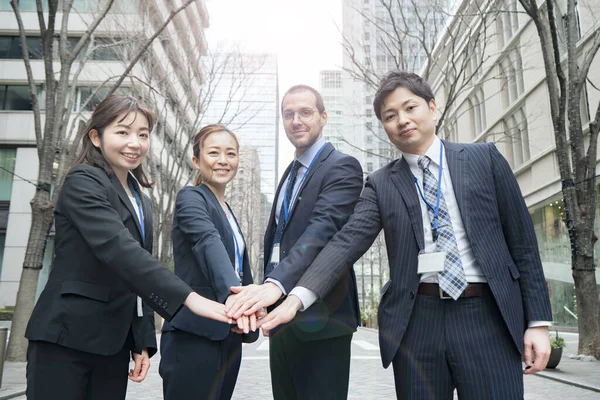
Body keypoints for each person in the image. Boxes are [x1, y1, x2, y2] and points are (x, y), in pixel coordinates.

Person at [254, 72, 553, 399]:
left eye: (410, 108)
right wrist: (295, 299)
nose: (402, 120)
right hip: (417, 323)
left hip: (487, 316)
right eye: (390, 116)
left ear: (432, 107)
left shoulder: (484, 159)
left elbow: (523, 242)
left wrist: (537, 322)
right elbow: (345, 243)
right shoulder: (381, 183)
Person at [25, 95, 234, 400]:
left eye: (143, 134)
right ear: (96, 137)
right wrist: (189, 298)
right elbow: (120, 251)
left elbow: (137, 275)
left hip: (113, 343)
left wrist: (142, 339)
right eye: (122, 132)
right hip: (65, 337)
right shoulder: (83, 180)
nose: (134, 143)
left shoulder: (140, 198)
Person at [226, 85, 363, 399]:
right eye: (288, 114)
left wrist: (274, 284)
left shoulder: (342, 166)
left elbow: (321, 232)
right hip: (281, 321)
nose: (296, 121)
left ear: (323, 117)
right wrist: (266, 298)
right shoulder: (290, 172)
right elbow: (278, 240)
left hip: (323, 319)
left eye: (305, 112)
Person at [159, 124, 259, 400]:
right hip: (194, 336)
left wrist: (251, 310)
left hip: (228, 335)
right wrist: (238, 302)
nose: (223, 160)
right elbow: (206, 242)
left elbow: (239, 270)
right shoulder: (191, 198)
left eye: (231, 153)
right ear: (196, 160)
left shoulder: (227, 210)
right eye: (214, 153)